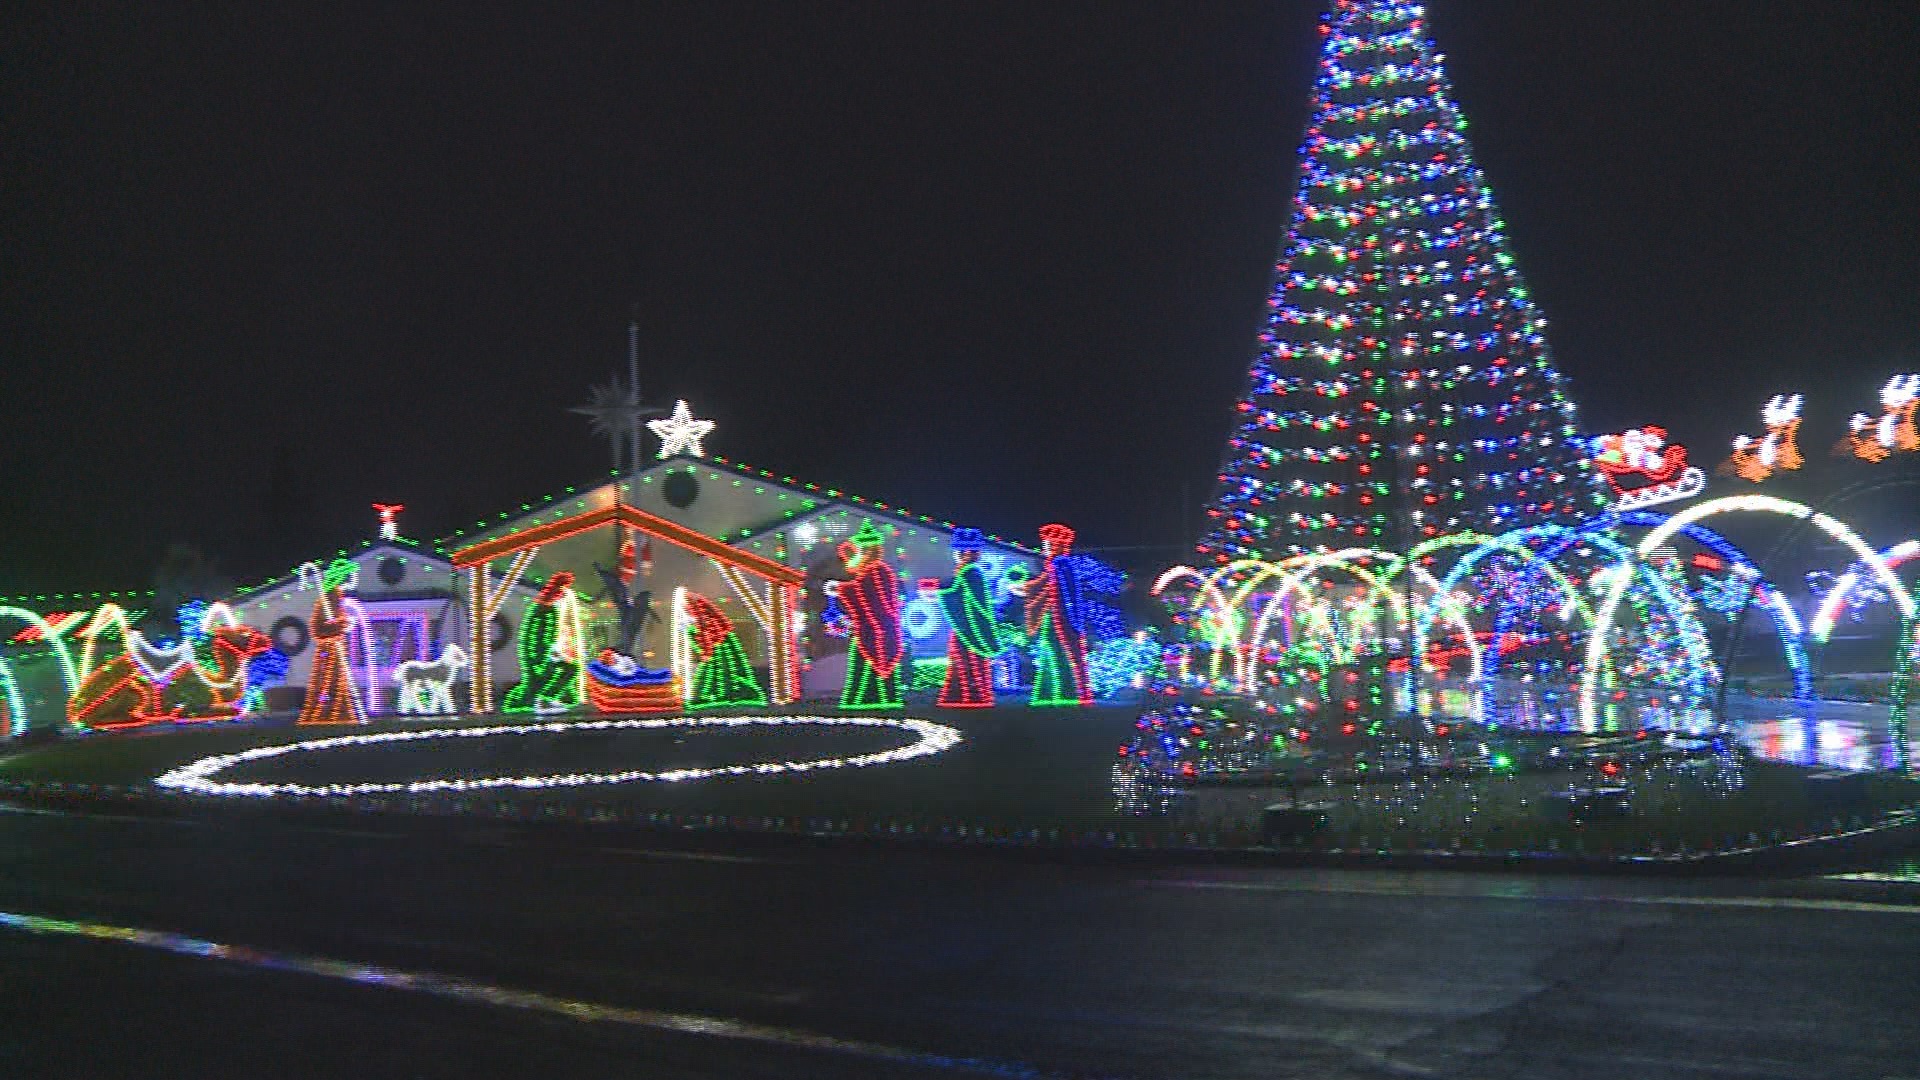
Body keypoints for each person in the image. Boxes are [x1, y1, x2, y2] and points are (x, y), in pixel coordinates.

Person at [835, 520, 905, 710]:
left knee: (870, 662)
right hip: (869, 627)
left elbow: (866, 594)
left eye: (860, 550)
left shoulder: (877, 570)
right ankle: (865, 699)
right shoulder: (869, 571)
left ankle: (874, 699)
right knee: (863, 664)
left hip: (878, 628)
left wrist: (841, 589)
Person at [1022, 523, 1092, 707]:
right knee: (1050, 654)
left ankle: (1067, 693)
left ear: (1055, 545)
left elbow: (1048, 587)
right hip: (1054, 617)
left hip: (1060, 619)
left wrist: (1026, 588)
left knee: (1061, 654)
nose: (1044, 548)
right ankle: (1046, 694)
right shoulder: (1060, 565)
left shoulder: (1060, 564)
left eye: (1047, 545)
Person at [501, 571, 584, 714]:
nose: (563, 596)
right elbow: (536, 637)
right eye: (561, 592)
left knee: (570, 668)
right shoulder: (542, 610)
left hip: (544, 657)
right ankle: (546, 698)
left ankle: (550, 697)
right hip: (538, 659)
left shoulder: (548, 609)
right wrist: (540, 660)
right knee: (570, 669)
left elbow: (548, 636)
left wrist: (557, 652)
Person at [299, 558, 367, 725]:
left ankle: (339, 715)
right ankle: (324, 716)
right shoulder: (326, 600)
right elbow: (317, 629)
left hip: (336, 650)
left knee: (337, 685)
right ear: (341, 577)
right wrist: (341, 624)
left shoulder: (336, 599)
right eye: (350, 575)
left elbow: (335, 625)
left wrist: (343, 624)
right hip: (328, 651)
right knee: (327, 685)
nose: (353, 578)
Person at [936, 528, 999, 708]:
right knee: (961, 663)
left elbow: (966, 598)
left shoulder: (971, 572)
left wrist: (940, 593)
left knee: (969, 662)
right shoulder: (967, 572)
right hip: (964, 627)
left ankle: (973, 697)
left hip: (970, 628)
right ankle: (959, 696)